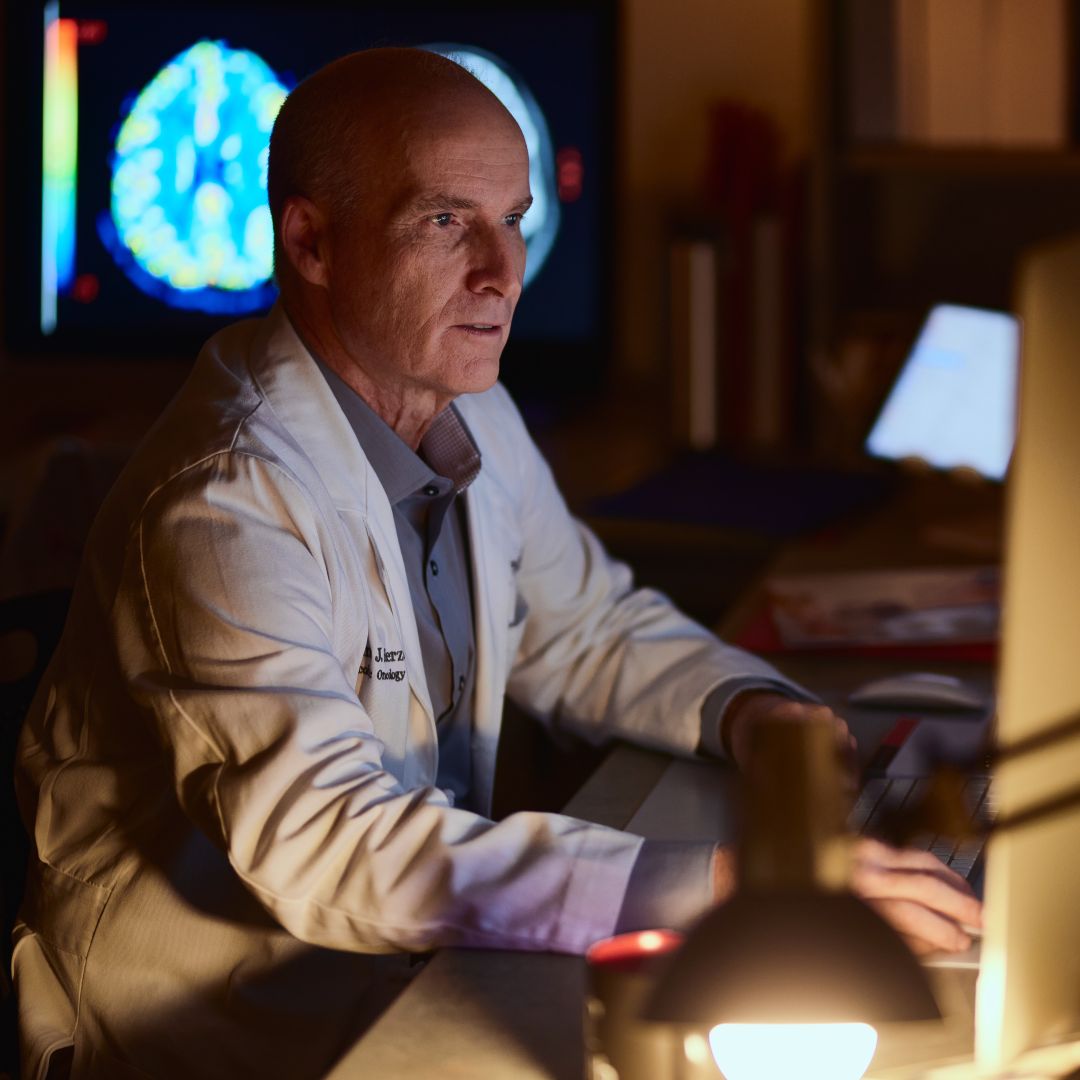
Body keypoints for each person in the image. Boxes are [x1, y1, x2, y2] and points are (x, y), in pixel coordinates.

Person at [12, 48, 980, 1080]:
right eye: (444, 222)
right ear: (311, 241)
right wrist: (735, 880)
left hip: (397, 964)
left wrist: (753, 712)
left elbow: (581, 625)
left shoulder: (463, 400)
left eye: (514, 221)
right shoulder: (223, 503)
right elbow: (331, 837)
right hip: (219, 1025)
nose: (502, 273)